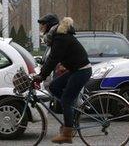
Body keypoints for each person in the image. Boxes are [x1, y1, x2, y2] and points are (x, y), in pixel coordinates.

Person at [33, 14, 92, 144]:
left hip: (81, 71)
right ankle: (71, 111)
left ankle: (67, 134)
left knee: (66, 100)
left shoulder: (60, 37)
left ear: (48, 25)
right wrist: (64, 65)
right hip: (76, 69)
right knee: (54, 86)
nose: (41, 27)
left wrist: (41, 76)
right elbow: (65, 54)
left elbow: (53, 58)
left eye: (42, 24)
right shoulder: (58, 36)